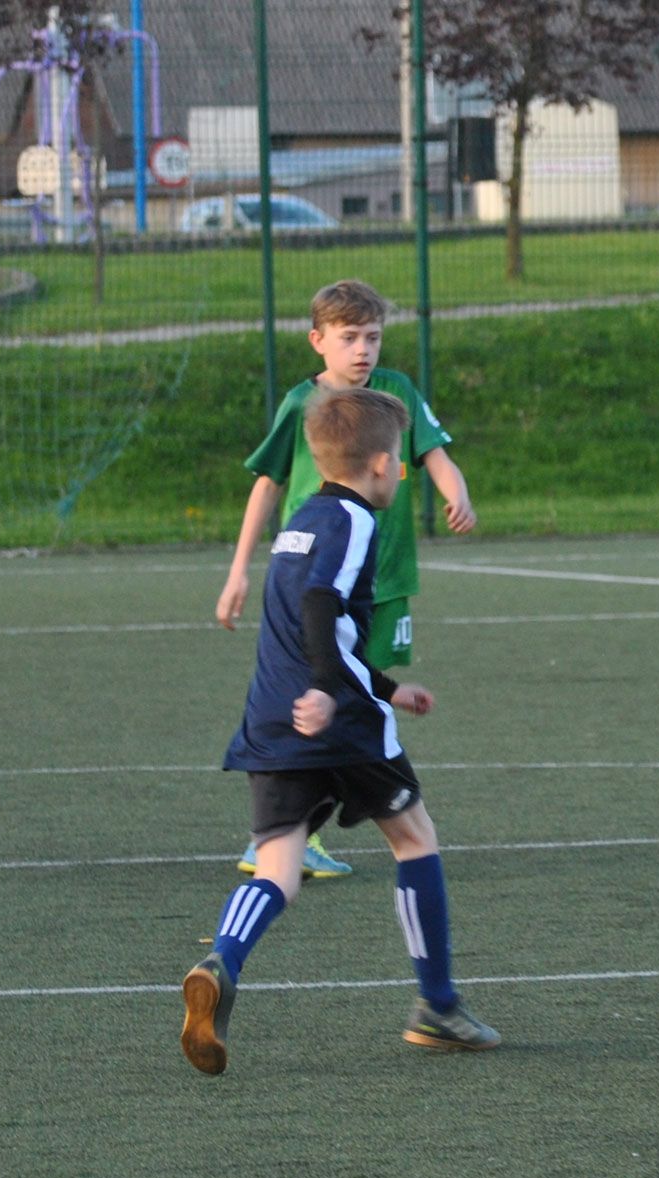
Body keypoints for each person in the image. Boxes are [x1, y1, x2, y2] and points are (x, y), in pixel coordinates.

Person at [181, 386, 498, 1076]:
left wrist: (387, 685)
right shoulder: (356, 521)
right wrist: (334, 688)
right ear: (383, 465)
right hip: (334, 715)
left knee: (279, 867)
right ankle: (439, 1007)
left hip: (273, 710)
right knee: (414, 838)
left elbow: (311, 618)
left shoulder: (302, 517)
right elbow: (324, 604)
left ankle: (221, 960)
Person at [215, 279, 476, 879]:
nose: (364, 350)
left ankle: (304, 827)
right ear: (318, 341)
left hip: (383, 580)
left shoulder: (395, 393)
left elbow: (433, 451)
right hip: (318, 585)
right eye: (350, 337)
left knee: (362, 697)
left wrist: (455, 492)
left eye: (373, 337)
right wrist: (238, 571)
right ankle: (298, 830)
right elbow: (268, 482)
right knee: (337, 694)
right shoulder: (303, 405)